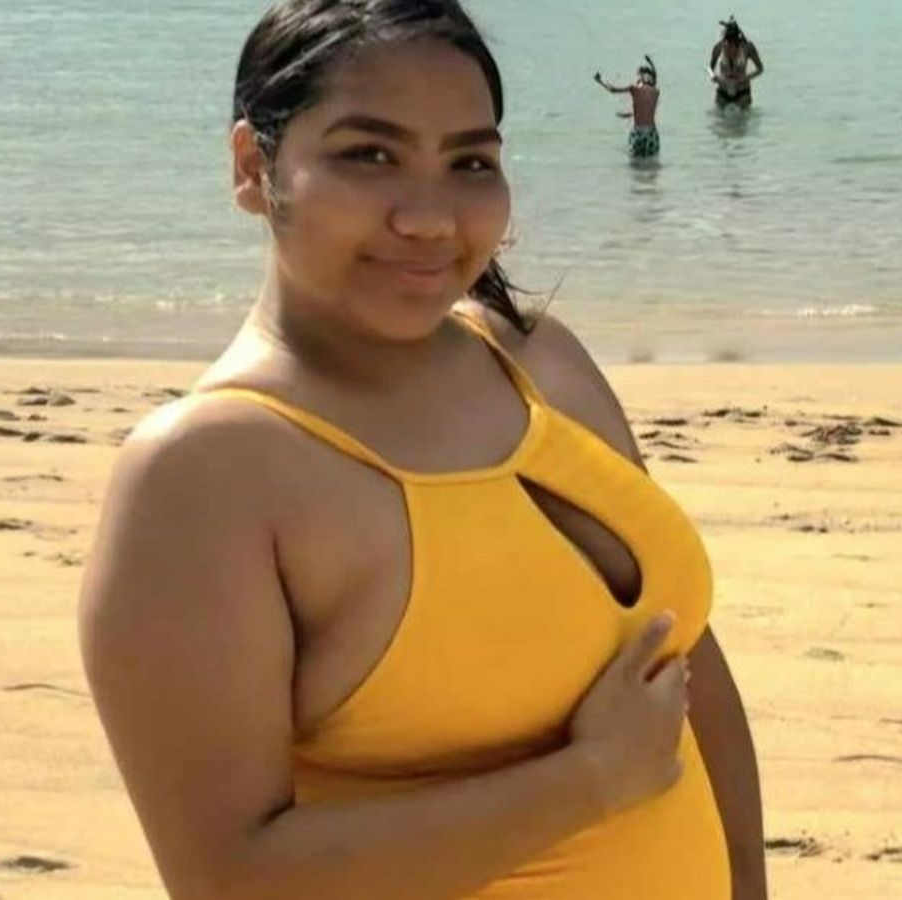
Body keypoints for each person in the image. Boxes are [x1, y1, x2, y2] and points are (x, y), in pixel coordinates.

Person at [78, 2, 767, 898]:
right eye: (369, 155)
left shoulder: (537, 360)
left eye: (470, 162)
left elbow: (690, 668)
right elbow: (227, 876)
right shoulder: (207, 476)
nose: (430, 217)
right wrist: (590, 779)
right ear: (254, 167)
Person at [594, 56, 661, 159]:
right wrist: (651, 63)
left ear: (641, 77)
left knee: (635, 162)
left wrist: (600, 81)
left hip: (638, 132)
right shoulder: (656, 92)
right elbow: (644, 109)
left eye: (638, 76)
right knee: (652, 162)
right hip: (652, 133)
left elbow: (613, 90)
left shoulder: (634, 88)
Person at [709, 16, 764, 108]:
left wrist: (746, 77)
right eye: (728, 42)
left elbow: (760, 69)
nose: (731, 45)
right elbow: (710, 69)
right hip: (722, 92)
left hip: (743, 93)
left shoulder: (747, 47)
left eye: (734, 43)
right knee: (718, 117)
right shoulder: (718, 47)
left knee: (743, 117)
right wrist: (716, 77)